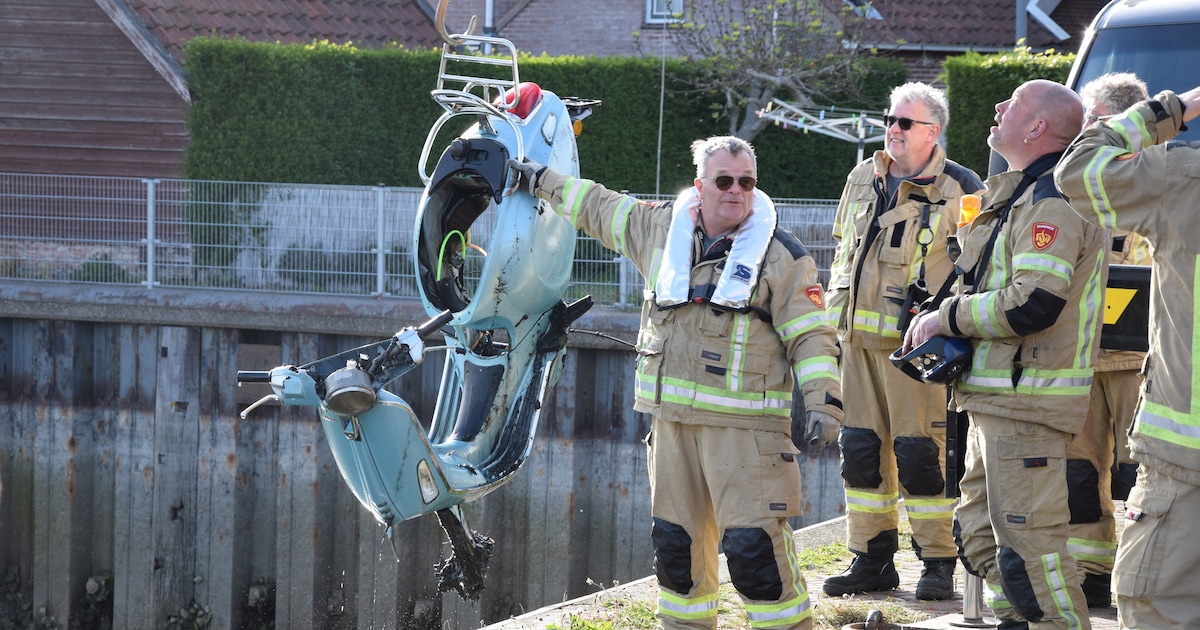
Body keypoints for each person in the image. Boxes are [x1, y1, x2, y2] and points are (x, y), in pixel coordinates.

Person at [509, 136, 844, 630]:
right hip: (671, 427)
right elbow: (596, 205)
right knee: (677, 554)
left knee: (756, 558)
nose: (736, 191)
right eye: (724, 181)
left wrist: (824, 403)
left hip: (748, 434)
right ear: (700, 186)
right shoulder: (659, 230)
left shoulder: (783, 259)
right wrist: (539, 179)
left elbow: (813, 336)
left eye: (746, 182)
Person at [905, 79, 1104, 629]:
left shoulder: (1055, 201)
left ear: (1038, 127)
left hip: (1027, 408)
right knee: (980, 539)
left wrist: (944, 318)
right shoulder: (1019, 191)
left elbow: (1033, 305)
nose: (996, 108)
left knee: (1032, 556)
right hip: (995, 402)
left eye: (1012, 103)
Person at [823, 82, 984, 600]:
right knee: (862, 452)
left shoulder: (961, 187)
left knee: (921, 455)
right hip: (856, 343)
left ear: (932, 132)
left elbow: (978, 267)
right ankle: (870, 559)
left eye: (904, 123)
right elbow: (843, 253)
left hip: (915, 348)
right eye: (890, 119)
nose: (892, 129)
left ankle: (938, 562)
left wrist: (949, 322)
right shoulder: (860, 177)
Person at [1055, 84, 1200, 630]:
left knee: (1157, 604)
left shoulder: (1184, 178)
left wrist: (1173, 108)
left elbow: (1080, 170)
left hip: (1188, 469)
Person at [1064, 72, 1151, 610]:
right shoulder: (1078, 179)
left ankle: (1143, 571)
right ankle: (1091, 570)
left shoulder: (1153, 177)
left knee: (1142, 472)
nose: (1084, 131)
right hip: (1081, 354)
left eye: (1092, 120)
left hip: (1141, 358)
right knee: (1079, 470)